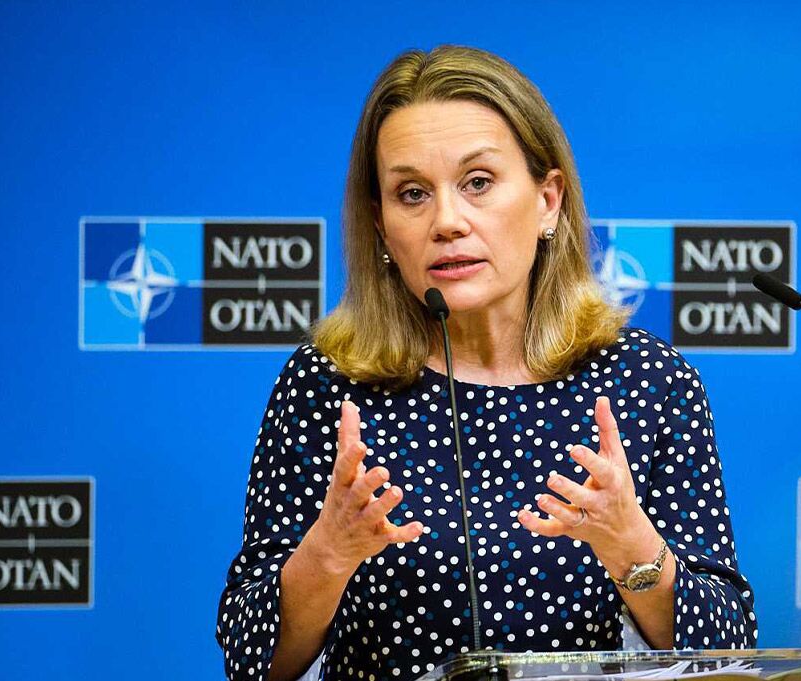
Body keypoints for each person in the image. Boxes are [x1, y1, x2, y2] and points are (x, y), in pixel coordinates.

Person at [217, 45, 756, 681]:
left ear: (548, 201)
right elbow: (249, 657)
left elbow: (729, 648)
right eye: (412, 193)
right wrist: (327, 554)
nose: (447, 221)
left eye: (477, 182)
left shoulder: (647, 382)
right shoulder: (329, 385)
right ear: (382, 226)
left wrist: (630, 544)